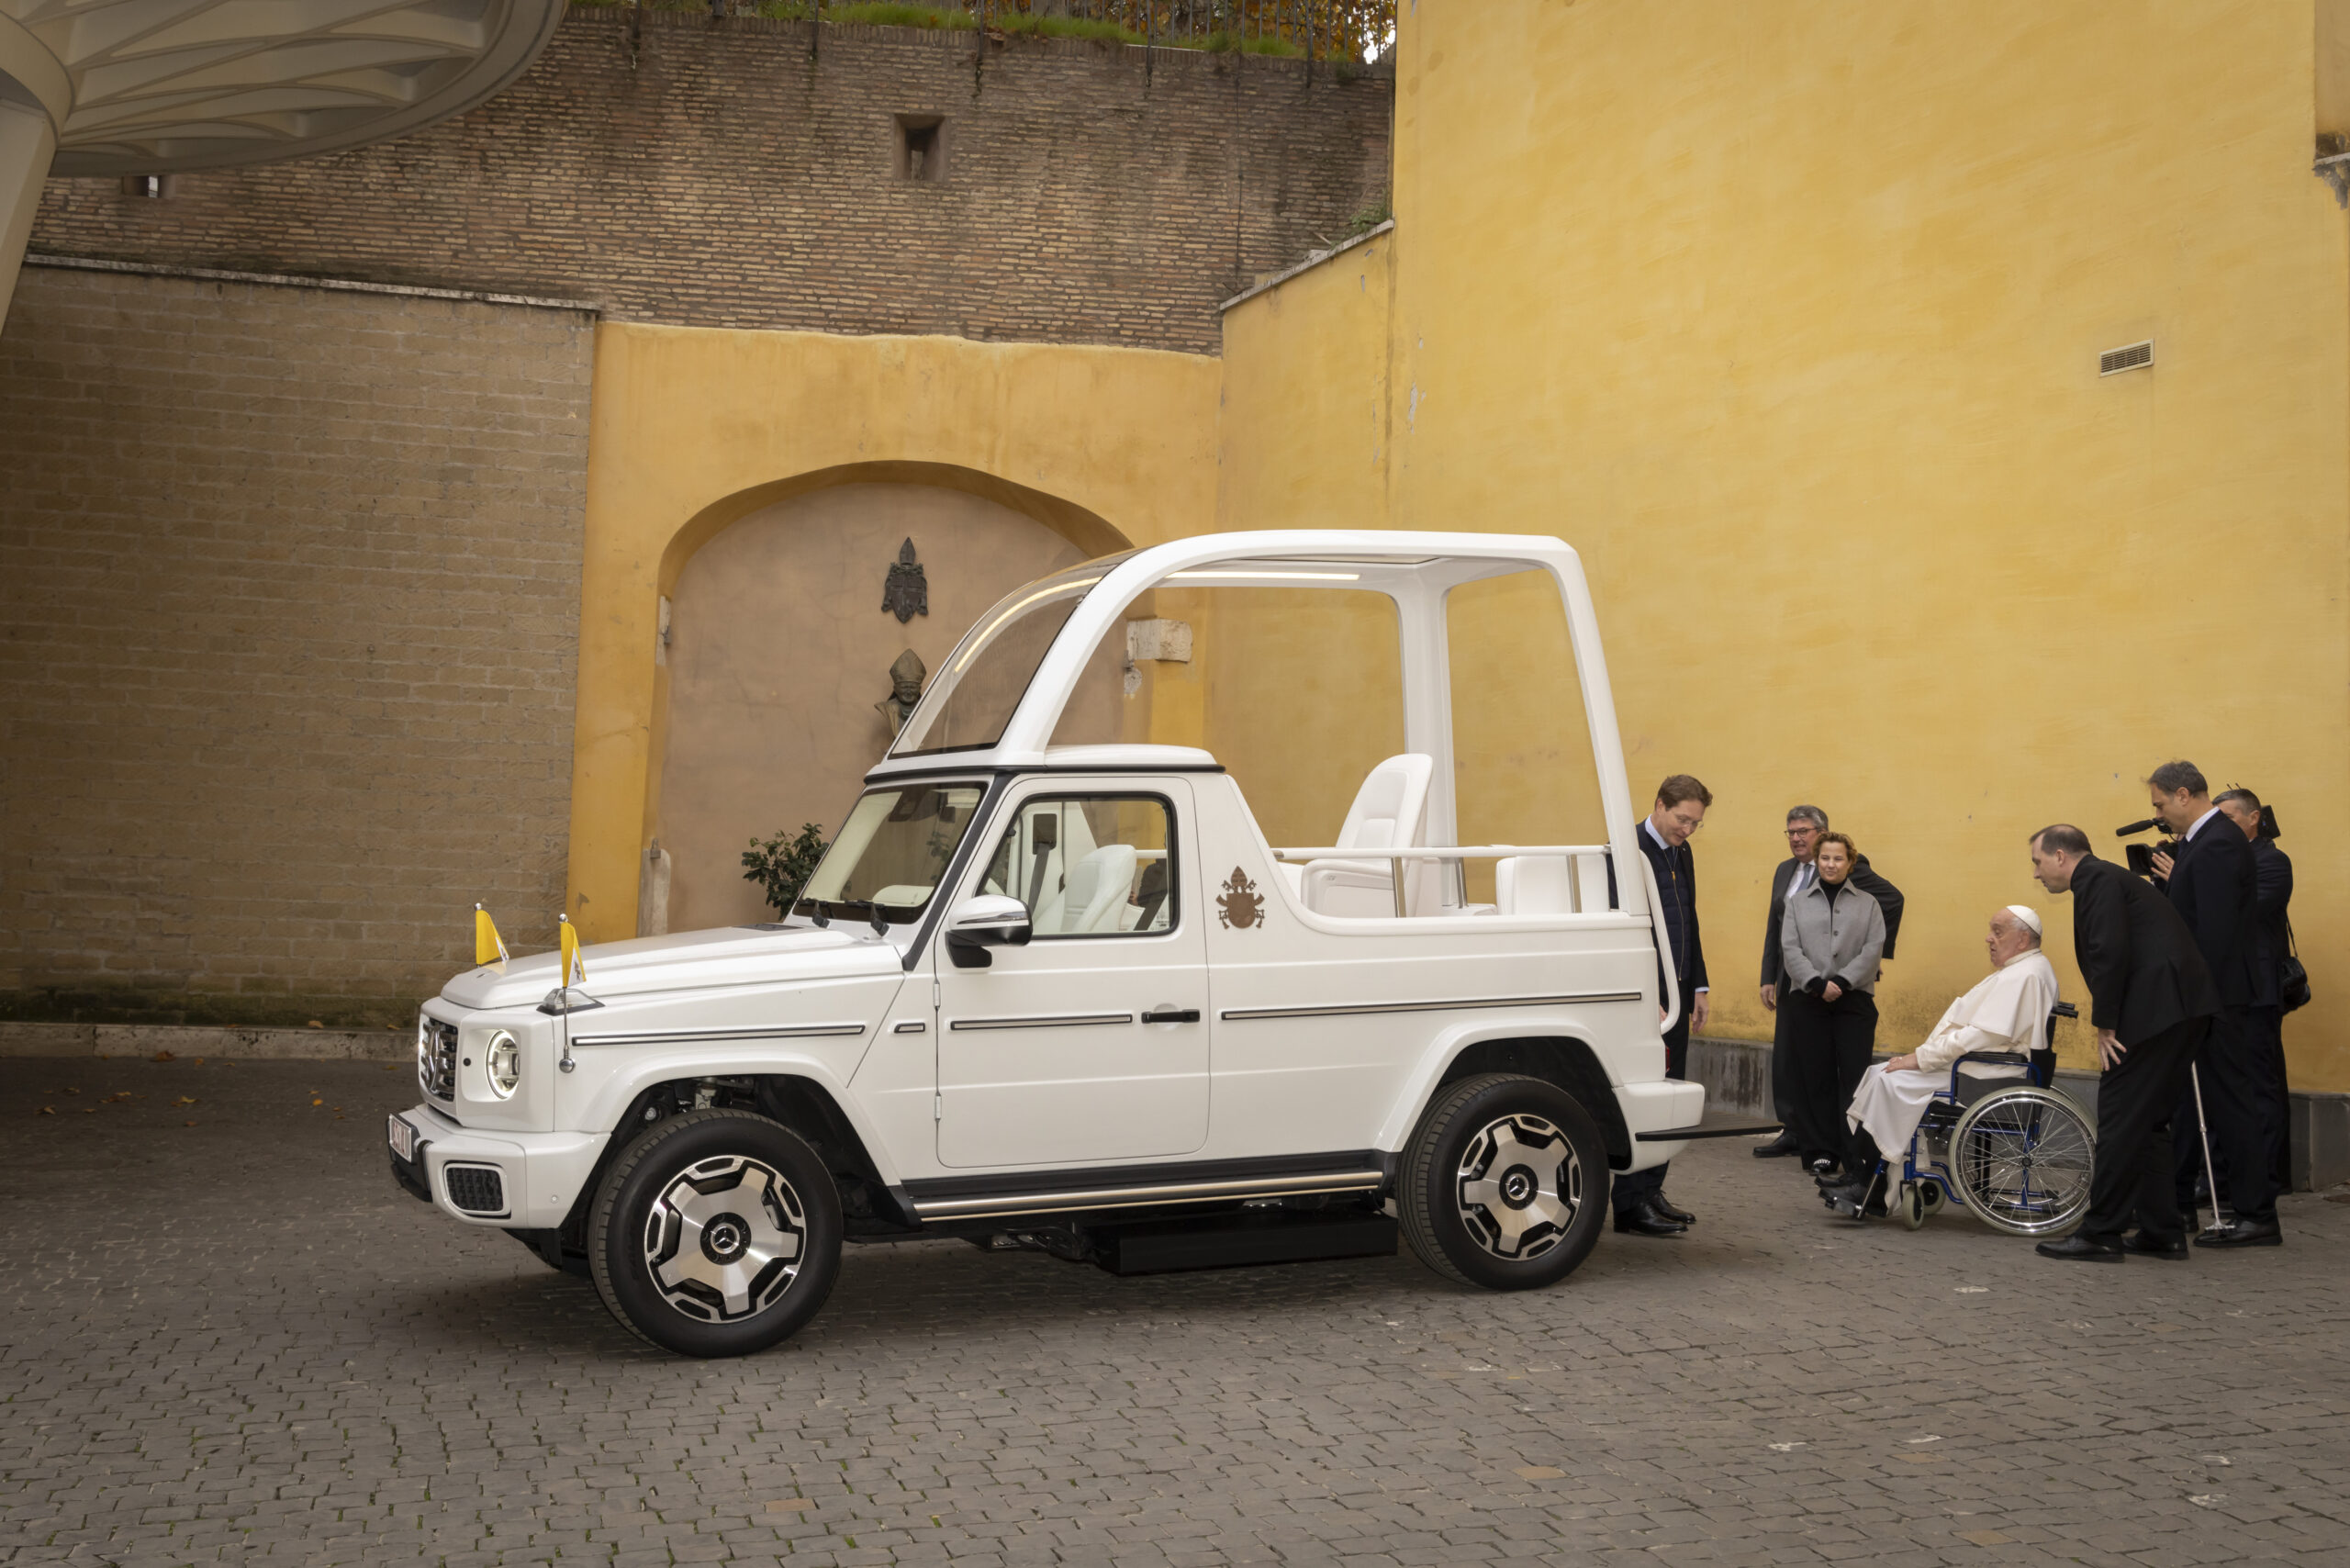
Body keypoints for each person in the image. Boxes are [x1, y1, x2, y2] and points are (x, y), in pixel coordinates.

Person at [2028, 825, 2215, 1262]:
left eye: (2037, 862)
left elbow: (2109, 951)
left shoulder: (2095, 880)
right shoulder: (2108, 878)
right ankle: (2162, 1232)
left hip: (2153, 1012)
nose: (2037, 874)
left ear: (2060, 856)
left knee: (2117, 1118)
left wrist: (2105, 1024)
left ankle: (2100, 1233)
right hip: (2181, 1009)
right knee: (2147, 1122)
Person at [1817, 906, 2057, 1218]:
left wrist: (1920, 1058)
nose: (1989, 939)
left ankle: (1870, 1186)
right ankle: (1867, 1178)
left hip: (1982, 1075)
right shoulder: (2025, 969)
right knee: (1881, 1073)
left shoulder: (2025, 975)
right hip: (1979, 1068)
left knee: (1891, 1081)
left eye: (1998, 931)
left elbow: (1977, 1037)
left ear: (2023, 939)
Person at [2143, 761, 2280, 1247]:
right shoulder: (2205, 842)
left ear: (2184, 795)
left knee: (2231, 1103)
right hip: (2207, 996)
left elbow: (2217, 934)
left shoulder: (2218, 841)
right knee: (2195, 1100)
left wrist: (2197, 997)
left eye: (2160, 804)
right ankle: (2180, 1206)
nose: (2158, 815)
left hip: (2217, 998)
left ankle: (2256, 1214)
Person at [1754, 806, 1906, 1159]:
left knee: (1838, 1068)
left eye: (1803, 831)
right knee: (1792, 1059)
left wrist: (1867, 962)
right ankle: (1795, 1130)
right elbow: (1777, 929)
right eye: (1791, 832)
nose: (1796, 838)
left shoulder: (1850, 866)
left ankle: (1841, 1143)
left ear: (1822, 833)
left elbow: (1890, 903)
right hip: (1796, 979)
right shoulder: (1785, 871)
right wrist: (1768, 976)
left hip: (1846, 988)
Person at [1613, 774, 1711, 1238]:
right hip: (1647, 1000)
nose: (1687, 830)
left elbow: (1687, 919)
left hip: (1678, 991)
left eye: (1695, 823)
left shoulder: (1681, 852)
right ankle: (1629, 1205)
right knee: (1646, 1095)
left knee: (1670, 1094)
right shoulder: (1625, 851)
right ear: (1659, 805)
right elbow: (1619, 931)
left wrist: (1700, 987)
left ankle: (1653, 1191)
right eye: (1682, 819)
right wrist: (1643, 993)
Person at [2200, 787, 2294, 1198]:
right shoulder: (2222, 859)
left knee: (2259, 1087)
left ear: (2254, 818)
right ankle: (2220, 1177)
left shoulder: (2272, 861)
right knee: (2224, 1086)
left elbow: (2241, 911)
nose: (2224, 830)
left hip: (2258, 991)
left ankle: (2266, 1181)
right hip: (2225, 989)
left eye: (2231, 820)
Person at [1776, 831, 1886, 1180]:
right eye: (1825, 858)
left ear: (1850, 862)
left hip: (1854, 1001)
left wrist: (1840, 982)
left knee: (1853, 1078)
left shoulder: (1868, 904)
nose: (1831, 864)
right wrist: (1815, 983)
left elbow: (1873, 949)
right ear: (1816, 861)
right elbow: (1790, 948)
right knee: (1815, 1077)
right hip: (1808, 1000)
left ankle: (1855, 1155)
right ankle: (1821, 1151)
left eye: (1838, 858)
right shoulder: (1797, 903)